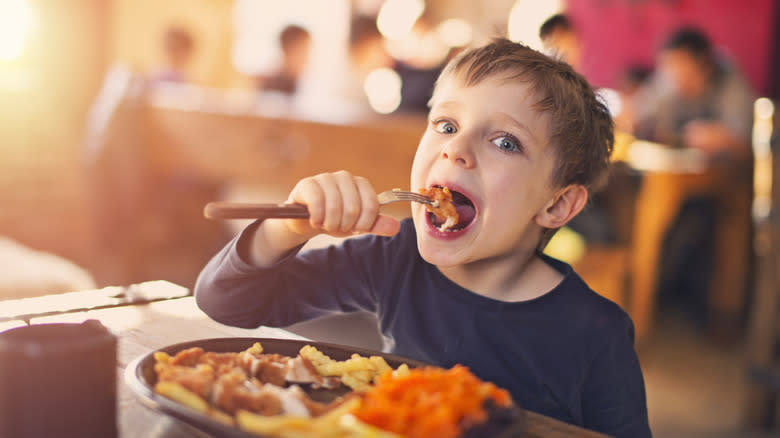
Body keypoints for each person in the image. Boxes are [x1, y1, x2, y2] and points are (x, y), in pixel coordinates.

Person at [195, 38, 651, 437]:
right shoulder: (394, 256)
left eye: (505, 142)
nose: (455, 148)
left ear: (556, 205)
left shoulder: (596, 333)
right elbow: (225, 302)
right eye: (447, 125)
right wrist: (288, 228)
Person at [632, 26, 755, 328]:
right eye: (671, 69)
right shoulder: (668, 80)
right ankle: (638, 308)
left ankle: (723, 317)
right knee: (640, 197)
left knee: (731, 221)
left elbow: (745, 141)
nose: (677, 79)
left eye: (684, 71)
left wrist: (722, 138)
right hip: (676, 173)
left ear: (705, 63)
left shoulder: (730, 80)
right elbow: (640, 112)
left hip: (728, 179)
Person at [256, 24, 312, 95]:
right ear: (286, 50)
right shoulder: (268, 84)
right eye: (302, 50)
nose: (307, 56)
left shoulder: (308, 83)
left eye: (308, 50)